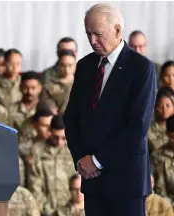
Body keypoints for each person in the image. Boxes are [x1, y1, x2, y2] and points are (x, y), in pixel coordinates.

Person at [63, 3, 156, 216]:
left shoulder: (141, 68)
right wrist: (81, 159)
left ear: (117, 30)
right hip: (92, 180)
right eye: (88, 34)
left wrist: (96, 160)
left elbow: (137, 127)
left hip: (126, 180)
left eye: (98, 34)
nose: (92, 41)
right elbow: (72, 117)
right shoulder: (86, 65)